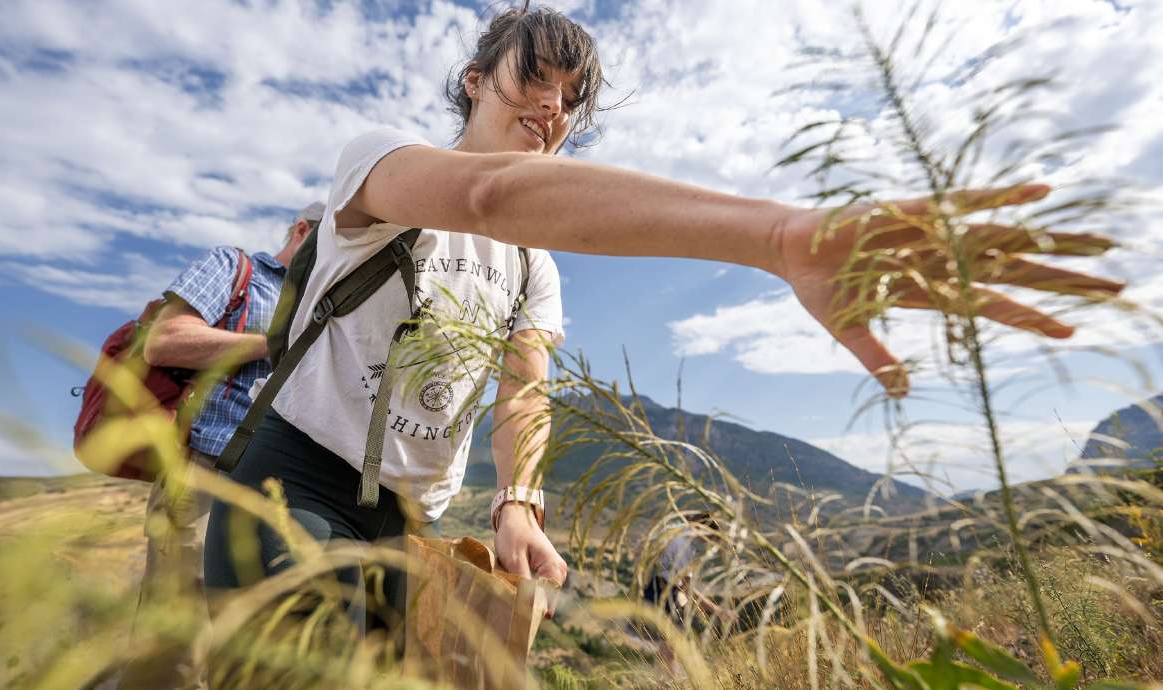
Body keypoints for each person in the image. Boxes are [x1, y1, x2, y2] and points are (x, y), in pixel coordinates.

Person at [202, 1, 1121, 641]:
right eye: (536, 77)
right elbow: (484, 193)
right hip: (297, 482)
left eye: (572, 98)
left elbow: (527, 386)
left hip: (416, 518)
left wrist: (518, 502)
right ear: (476, 80)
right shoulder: (380, 167)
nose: (554, 107)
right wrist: (778, 234)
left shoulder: (535, 267)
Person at [115, 203, 320, 690]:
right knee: (176, 645)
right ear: (302, 230)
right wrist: (269, 343)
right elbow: (165, 341)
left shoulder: (325, 300)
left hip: (283, 492)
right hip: (208, 473)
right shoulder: (234, 268)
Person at [642, 513, 736, 672]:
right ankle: (668, 684)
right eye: (710, 539)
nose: (709, 545)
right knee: (670, 649)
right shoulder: (683, 547)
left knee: (667, 649)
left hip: (655, 591)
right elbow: (689, 590)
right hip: (664, 595)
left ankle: (663, 683)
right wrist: (718, 611)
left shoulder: (676, 532)